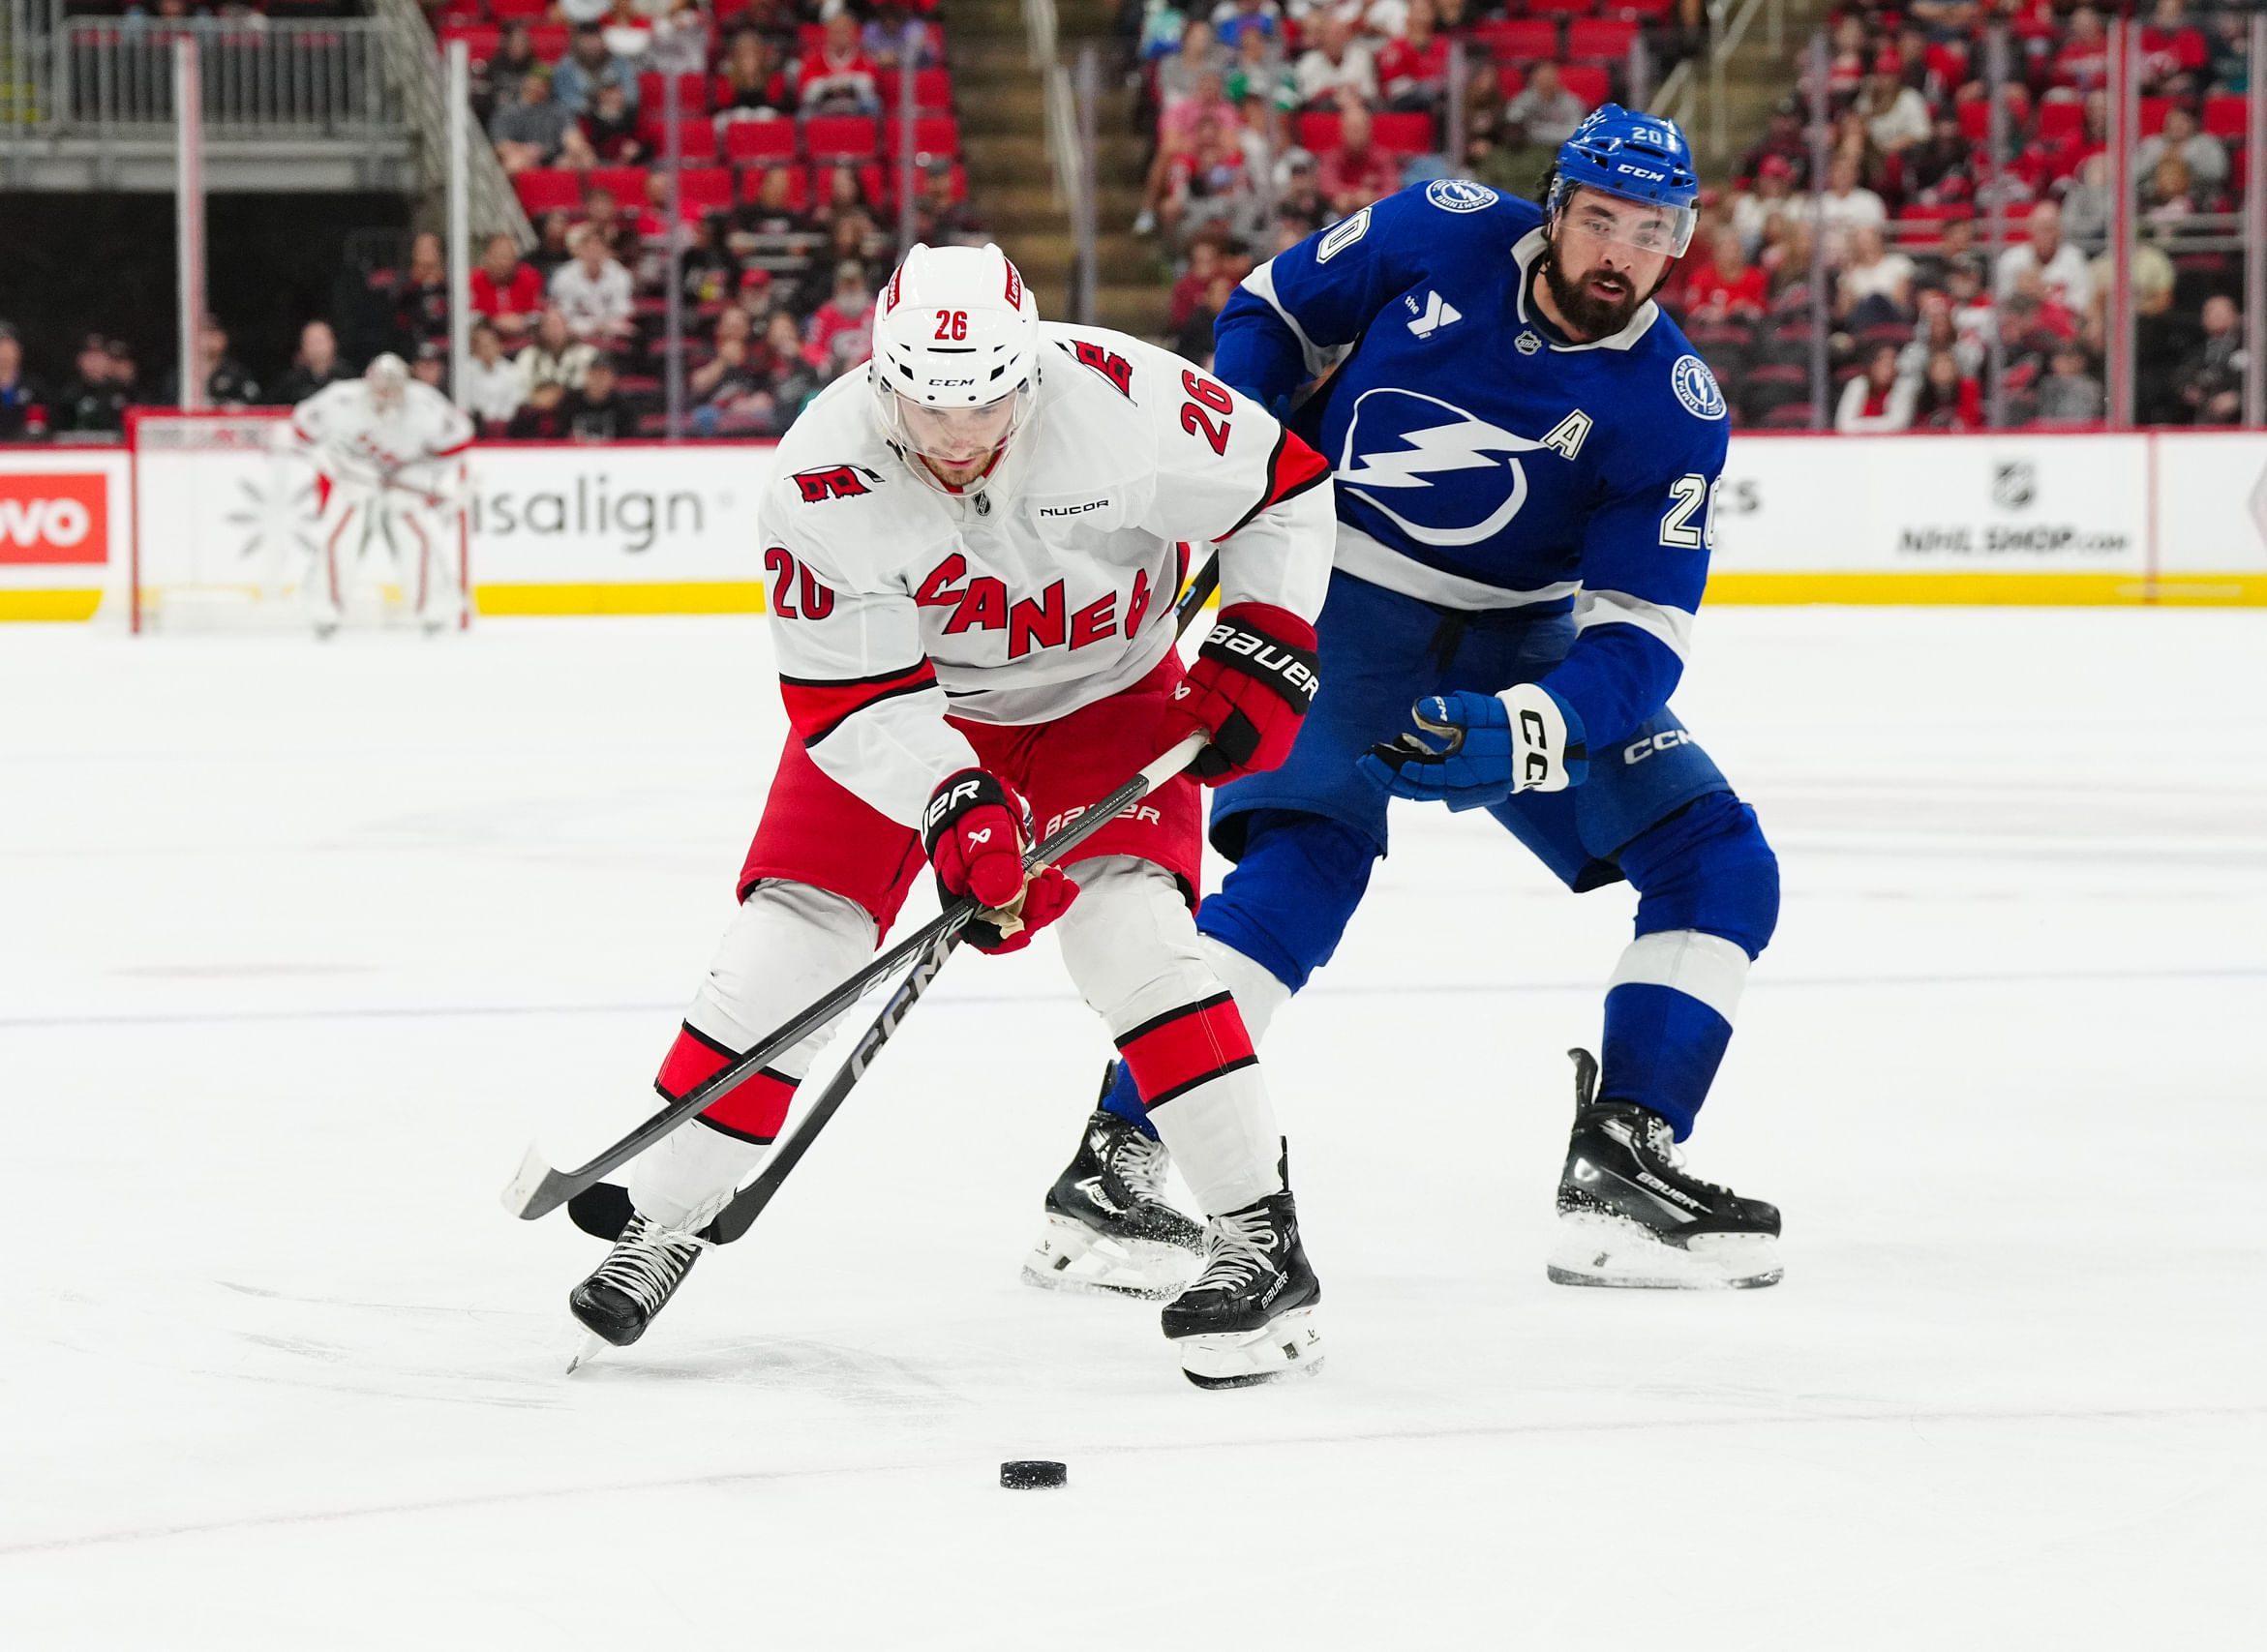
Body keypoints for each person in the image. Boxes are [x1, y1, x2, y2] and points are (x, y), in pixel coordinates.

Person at [563, 243, 1340, 1390]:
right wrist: (954, 801)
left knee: (1131, 936)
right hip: (911, 708)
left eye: (984, 400)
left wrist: (1262, 636)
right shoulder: (820, 473)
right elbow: (847, 699)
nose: (959, 432)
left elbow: (1284, 487)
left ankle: (1258, 1239)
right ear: (885, 380)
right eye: (929, 403)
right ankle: (666, 1219)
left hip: (1107, 693)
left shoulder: (1123, 399)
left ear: (1027, 371)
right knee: (788, 944)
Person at [1036, 114, 1784, 1300]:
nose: (1618, 255)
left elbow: (1637, 640)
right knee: (1299, 871)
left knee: (1718, 866)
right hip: (1335, 597)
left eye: (1651, 233)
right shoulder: (1430, 230)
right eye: (1598, 220)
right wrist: (1246, 470)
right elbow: (1266, 316)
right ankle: (1116, 1163)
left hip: (1517, 640)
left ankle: (1622, 1165)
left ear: (1680, 243)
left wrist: (1534, 722)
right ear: (1551, 207)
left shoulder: (1672, 407)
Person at [287, 352, 475, 637]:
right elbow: (302, 427)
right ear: (368, 383)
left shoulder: (425, 403)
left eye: (394, 387)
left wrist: (422, 467)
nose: (387, 393)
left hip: (403, 476)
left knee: (416, 538)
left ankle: (435, 609)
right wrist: (339, 465)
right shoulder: (342, 399)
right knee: (342, 536)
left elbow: (460, 437)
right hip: (355, 477)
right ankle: (324, 610)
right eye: (381, 387)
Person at [1994, 199, 2093, 314]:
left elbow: (2081, 304)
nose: (2044, 236)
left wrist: (2043, 295)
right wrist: (2021, 293)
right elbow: (2001, 303)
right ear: (2030, 228)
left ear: (2059, 231)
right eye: (2039, 228)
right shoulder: (2011, 259)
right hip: (2023, 326)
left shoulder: (2074, 258)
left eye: (2049, 229)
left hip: (2060, 326)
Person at [549, 228, 637, 345]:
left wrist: (604, 326)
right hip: (574, 335)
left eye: (599, 247)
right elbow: (563, 315)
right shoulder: (564, 276)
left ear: (607, 251)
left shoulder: (620, 275)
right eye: (588, 248)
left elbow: (623, 312)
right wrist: (592, 327)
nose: (593, 252)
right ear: (579, 251)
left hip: (611, 335)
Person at [490, 66, 576, 172]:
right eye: (536, 83)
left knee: (579, 160)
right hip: (522, 155)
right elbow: (500, 145)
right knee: (515, 163)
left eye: (545, 85)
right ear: (527, 82)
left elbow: (571, 137)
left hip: (553, 158)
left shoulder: (558, 111)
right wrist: (525, 149)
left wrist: (577, 147)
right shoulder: (508, 112)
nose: (539, 88)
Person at [470, 234, 544, 344]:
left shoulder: (530, 277)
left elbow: (538, 313)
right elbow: (470, 315)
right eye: (495, 257)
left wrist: (524, 321)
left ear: (515, 260)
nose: (500, 263)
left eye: (505, 257)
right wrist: (493, 321)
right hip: (485, 341)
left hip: (524, 340)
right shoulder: (474, 279)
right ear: (486, 258)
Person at [54, 333, 130, 436]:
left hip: (115, 448)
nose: (94, 361)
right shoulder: (69, 393)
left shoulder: (122, 391)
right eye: (90, 355)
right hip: (78, 447)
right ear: (80, 360)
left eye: (99, 355)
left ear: (108, 360)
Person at [462, 320, 528, 430]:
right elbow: (467, 403)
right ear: (474, 349)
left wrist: (501, 423)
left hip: (508, 426)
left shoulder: (511, 372)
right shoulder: (466, 372)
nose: (487, 349)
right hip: (476, 426)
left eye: (490, 344)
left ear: (498, 346)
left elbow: (516, 401)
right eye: (481, 345)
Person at [1835, 342, 1916, 431]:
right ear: (1872, 365)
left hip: (1892, 442)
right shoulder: (1857, 385)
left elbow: (1899, 423)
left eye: (1891, 364)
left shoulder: (1903, 387)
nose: (1888, 370)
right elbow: (1844, 424)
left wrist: (1861, 425)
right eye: (1884, 365)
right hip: (1856, 441)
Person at [271, 320, 349, 405]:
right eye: (310, 342)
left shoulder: (348, 378)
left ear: (333, 343)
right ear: (302, 346)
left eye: (320, 341)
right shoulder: (291, 382)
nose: (316, 348)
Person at [0, 324, 47, 441]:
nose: (5, 353)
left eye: (9, 347)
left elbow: (41, 426)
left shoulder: (34, 386)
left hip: (26, 453)